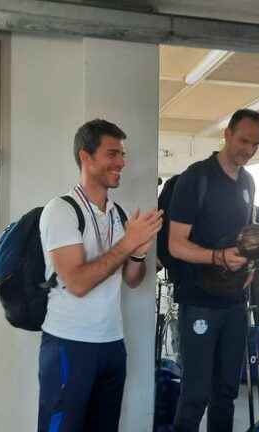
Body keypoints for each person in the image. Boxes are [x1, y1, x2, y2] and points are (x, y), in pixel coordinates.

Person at [37, 119, 162, 432]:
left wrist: (138, 251)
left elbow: (133, 279)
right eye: (112, 154)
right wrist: (127, 243)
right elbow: (77, 283)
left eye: (122, 154)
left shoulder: (119, 215)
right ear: (85, 157)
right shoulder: (61, 211)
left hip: (112, 344)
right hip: (69, 344)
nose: (121, 162)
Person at [168, 109, 259, 432]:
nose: (248, 150)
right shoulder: (196, 178)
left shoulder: (248, 181)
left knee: (226, 393)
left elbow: (245, 237)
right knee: (195, 394)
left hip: (235, 303)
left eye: (255, 144)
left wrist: (250, 263)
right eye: (243, 140)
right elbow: (176, 245)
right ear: (227, 134)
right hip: (199, 302)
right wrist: (219, 257)